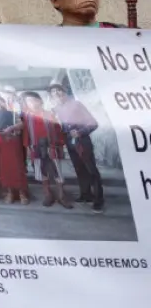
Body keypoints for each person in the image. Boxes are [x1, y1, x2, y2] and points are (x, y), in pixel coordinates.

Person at [49, 83, 103, 212]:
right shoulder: (55, 109)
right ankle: (86, 195)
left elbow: (93, 123)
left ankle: (99, 200)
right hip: (69, 141)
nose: (56, 93)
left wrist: (80, 132)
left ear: (64, 91)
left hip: (82, 140)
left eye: (58, 90)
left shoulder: (76, 104)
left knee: (91, 170)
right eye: (53, 92)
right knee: (79, 169)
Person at [22, 92, 73, 209]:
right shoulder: (27, 117)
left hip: (51, 147)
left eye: (34, 100)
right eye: (29, 101)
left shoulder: (50, 114)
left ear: (40, 101)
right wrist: (27, 147)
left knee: (57, 172)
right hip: (36, 147)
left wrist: (60, 143)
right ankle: (48, 195)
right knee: (42, 173)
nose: (32, 103)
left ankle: (61, 196)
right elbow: (26, 133)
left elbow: (58, 129)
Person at [0, 96, 29, 204]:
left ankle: (22, 193)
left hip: (13, 142)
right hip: (0, 144)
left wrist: (11, 128)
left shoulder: (13, 112)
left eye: (1, 101)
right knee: (5, 168)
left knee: (17, 167)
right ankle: (10, 192)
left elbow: (22, 124)